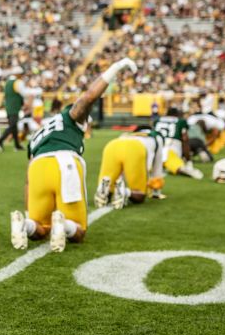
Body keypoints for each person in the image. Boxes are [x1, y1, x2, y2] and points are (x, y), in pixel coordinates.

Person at [10, 58, 136, 253]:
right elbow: (88, 97)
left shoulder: (38, 134)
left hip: (37, 168)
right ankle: (65, 225)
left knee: (40, 226)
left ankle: (24, 225)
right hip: (64, 162)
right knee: (79, 230)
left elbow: (27, 180)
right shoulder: (69, 118)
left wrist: (28, 208)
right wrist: (115, 68)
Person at [0, 69, 40, 151]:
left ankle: (17, 145)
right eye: (21, 74)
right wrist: (32, 93)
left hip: (9, 107)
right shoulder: (17, 82)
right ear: (17, 74)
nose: (22, 76)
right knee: (12, 125)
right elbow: (24, 93)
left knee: (14, 127)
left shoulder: (8, 82)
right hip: (14, 108)